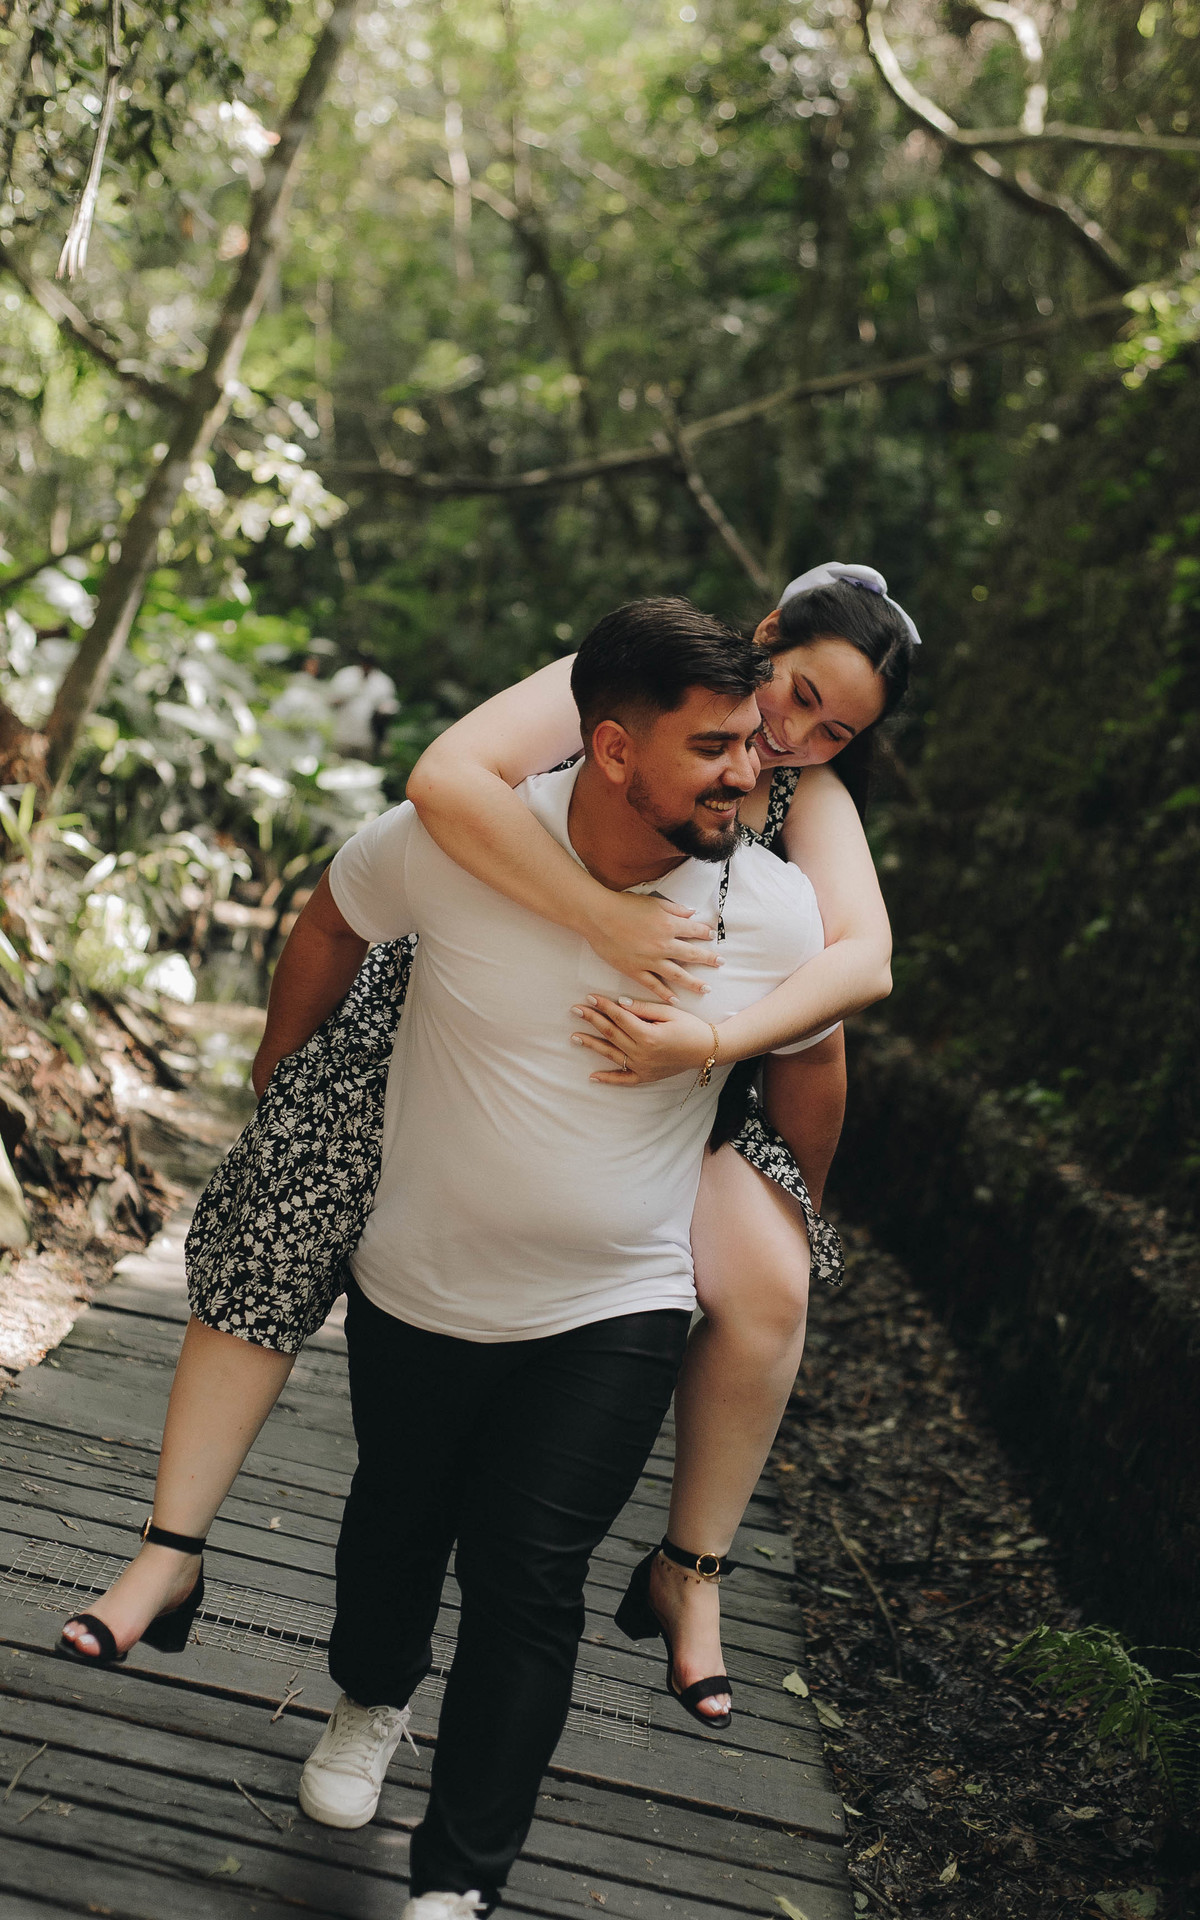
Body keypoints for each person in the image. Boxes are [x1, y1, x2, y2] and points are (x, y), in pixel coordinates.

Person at [59, 561, 917, 1733]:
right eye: (799, 694)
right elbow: (441, 781)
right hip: (466, 997)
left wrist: (773, 1158)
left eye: (836, 731)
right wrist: (600, 918)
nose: (796, 734)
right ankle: (172, 1544)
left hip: (671, 1072)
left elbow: (853, 977)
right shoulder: (635, 684)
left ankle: (692, 1571)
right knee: (282, 1201)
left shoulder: (806, 800)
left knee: (772, 1277)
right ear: (767, 636)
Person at [293, 600, 843, 1917]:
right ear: (611, 748)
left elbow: (815, 1057)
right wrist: (283, 1076)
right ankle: (371, 1697)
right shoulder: (458, 845)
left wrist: (792, 1210)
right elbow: (331, 919)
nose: (750, 769)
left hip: (616, 1303)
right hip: (417, 1279)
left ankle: (458, 1883)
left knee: (530, 1579)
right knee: (396, 1519)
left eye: (752, 744)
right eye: (713, 746)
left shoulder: (771, 911)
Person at [325, 649, 399, 758]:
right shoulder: (345, 676)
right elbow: (329, 699)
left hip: (367, 739)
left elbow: (390, 706)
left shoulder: (383, 682)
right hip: (342, 736)